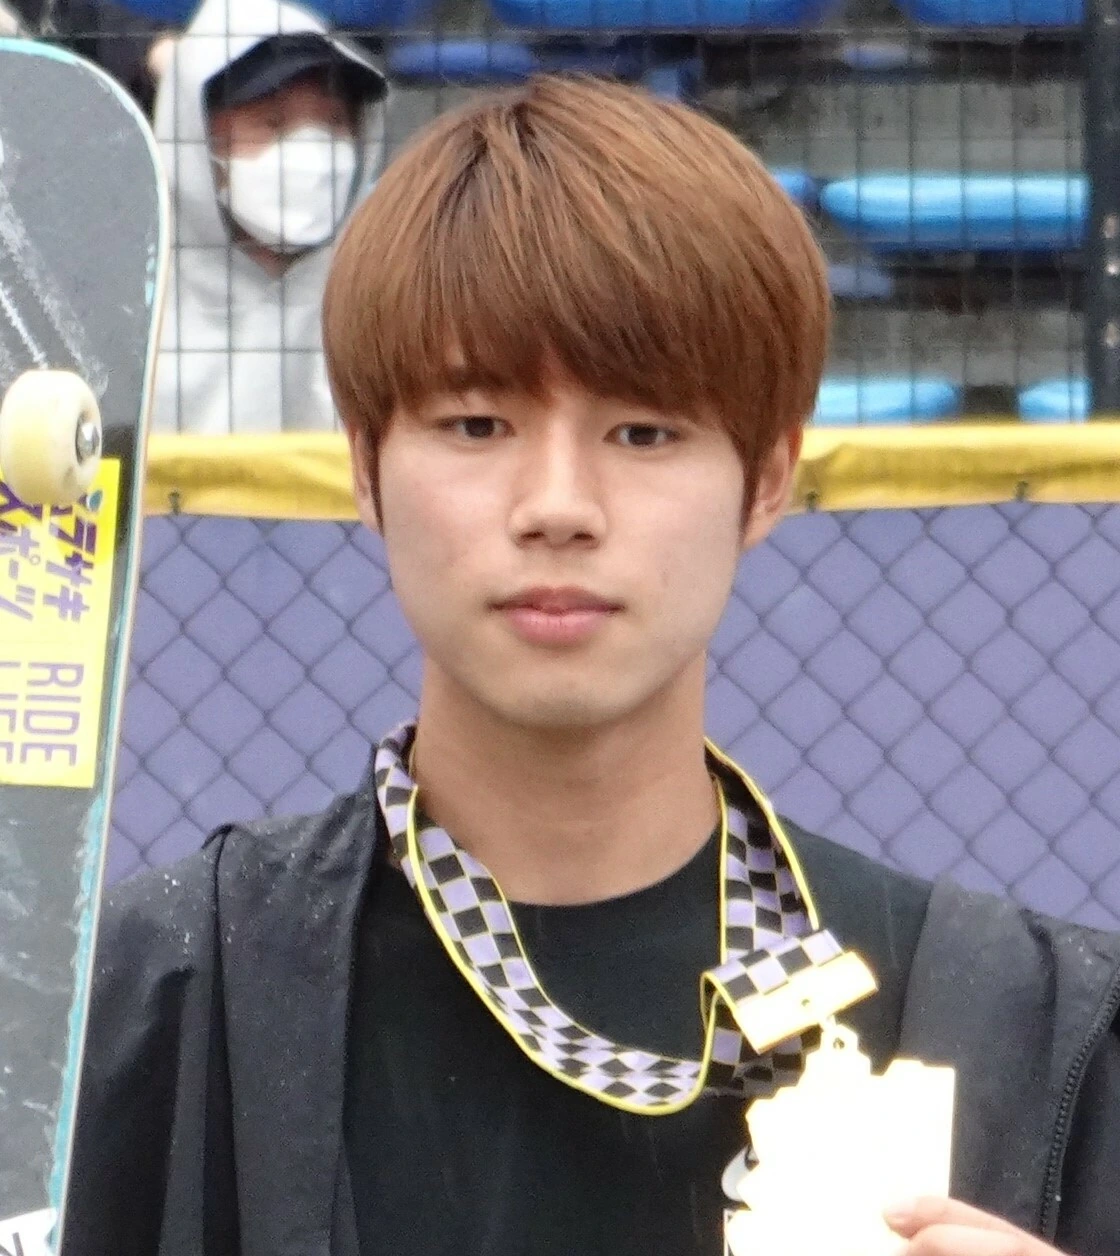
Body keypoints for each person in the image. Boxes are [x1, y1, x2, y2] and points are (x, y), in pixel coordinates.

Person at [63, 76, 1120, 1256]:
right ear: (362, 465)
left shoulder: (1032, 1030)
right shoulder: (145, 1004)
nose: (557, 506)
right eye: (476, 423)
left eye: (643, 431)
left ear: (767, 477)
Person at [150, 0, 386, 434]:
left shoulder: (388, 299)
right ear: (197, 138)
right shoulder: (132, 304)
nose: (313, 155)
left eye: (334, 123)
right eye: (272, 124)